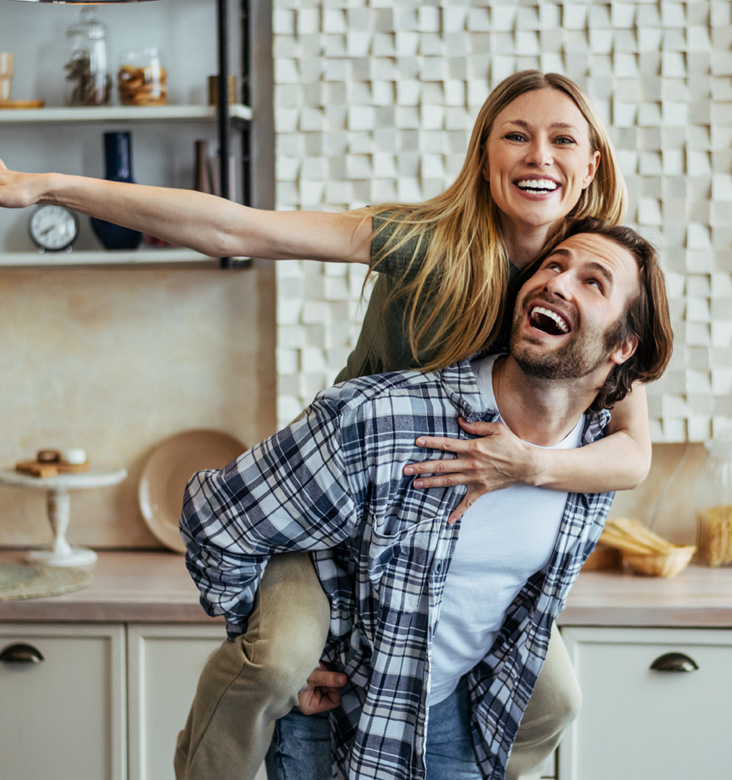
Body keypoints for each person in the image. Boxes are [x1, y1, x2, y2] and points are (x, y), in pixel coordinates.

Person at [0, 70, 648, 780]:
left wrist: (525, 465)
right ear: (484, 155)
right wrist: (53, 187)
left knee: (554, 699)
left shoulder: (600, 285)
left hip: (434, 542)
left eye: (562, 139)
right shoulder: (427, 244)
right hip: (333, 517)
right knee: (277, 662)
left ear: (591, 166)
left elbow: (632, 454)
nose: (537, 156)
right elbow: (236, 225)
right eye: (515, 136)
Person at [180, 218, 674, 780]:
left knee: (561, 700)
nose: (559, 283)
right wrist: (269, 648)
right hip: (338, 721)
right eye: (554, 265)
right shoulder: (385, 419)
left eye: (593, 282)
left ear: (623, 346)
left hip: (458, 719)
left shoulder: (591, 458)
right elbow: (216, 520)